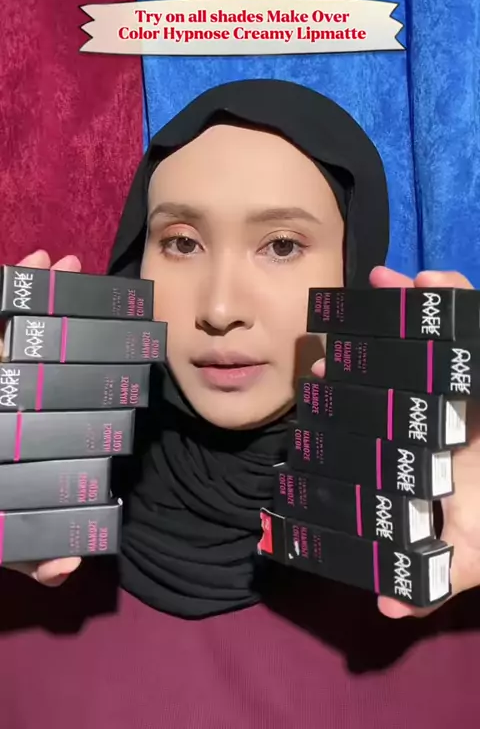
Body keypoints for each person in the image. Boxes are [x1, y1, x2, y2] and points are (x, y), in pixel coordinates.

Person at [0, 79, 479, 728]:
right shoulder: (29, 519)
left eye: (281, 245)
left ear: (351, 270)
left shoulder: (446, 546)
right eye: (181, 243)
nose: (220, 308)